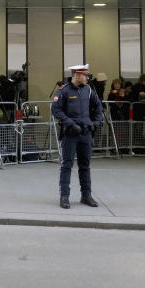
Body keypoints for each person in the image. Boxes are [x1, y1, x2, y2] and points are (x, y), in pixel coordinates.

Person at [51, 64, 104, 209]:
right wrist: (69, 123)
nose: (87, 77)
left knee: (85, 166)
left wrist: (96, 122)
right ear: (77, 75)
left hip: (86, 133)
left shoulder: (88, 90)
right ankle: (64, 197)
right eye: (85, 75)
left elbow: (99, 105)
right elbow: (55, 109)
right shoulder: (64, 91)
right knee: (67, 165)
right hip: (70, 134)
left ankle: (86, 196)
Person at [106, 78, 129, 155]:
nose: (116, 85)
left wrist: (122, 96)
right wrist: (113, 94)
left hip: (122, 114)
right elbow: (109, 102)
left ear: (120, 85)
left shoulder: (124, 92)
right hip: (114, 114)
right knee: (113, 132)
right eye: (115, 84)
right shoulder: (111, 93)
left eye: (118, 84)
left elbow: (126, 102)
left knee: (122, 131)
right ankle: (113, 148)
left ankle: (122, 148)